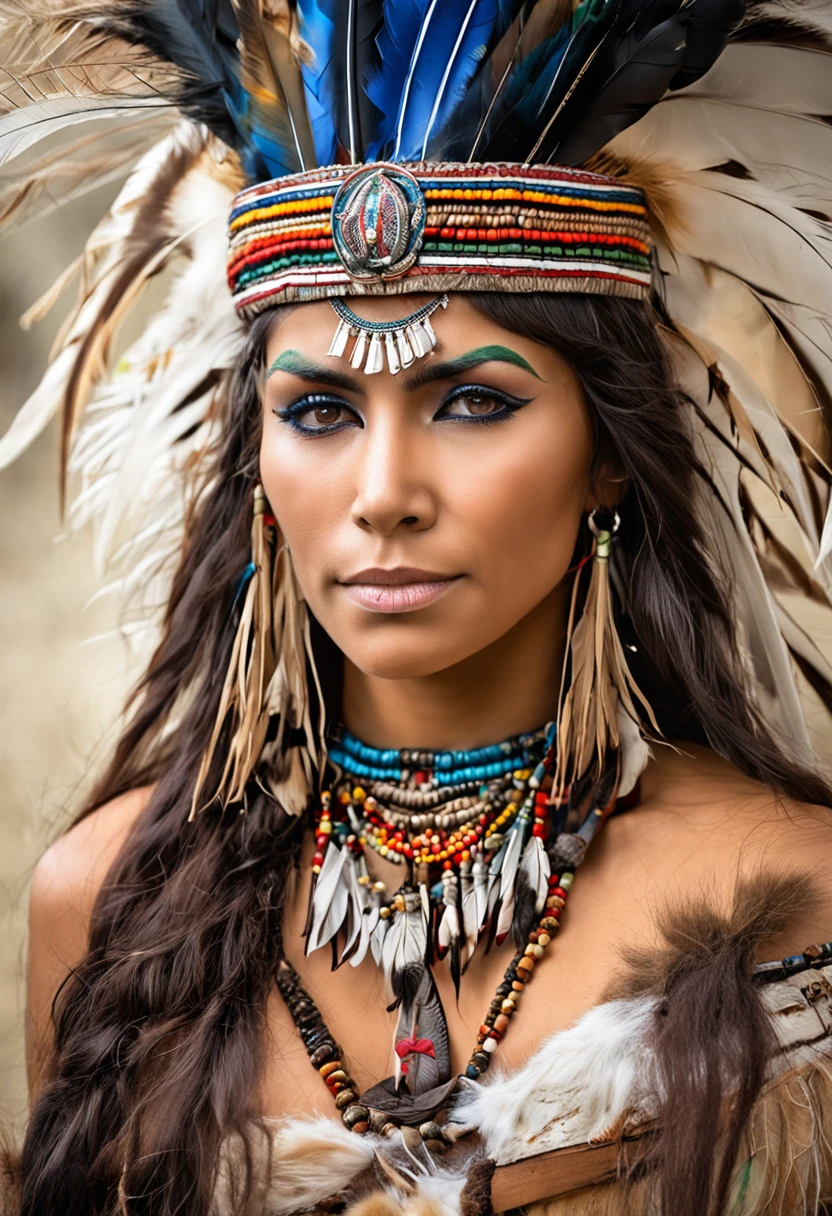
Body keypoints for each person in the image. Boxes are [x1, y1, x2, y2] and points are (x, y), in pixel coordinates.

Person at [2, 1, 832, 1213]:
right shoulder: (107, 907)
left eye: (473, 402)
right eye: (320, 412)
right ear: (258, 470)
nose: (382, 496)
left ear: (608, 454)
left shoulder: (798, 889)